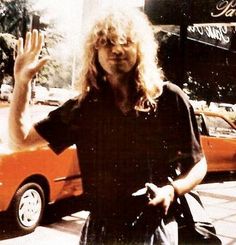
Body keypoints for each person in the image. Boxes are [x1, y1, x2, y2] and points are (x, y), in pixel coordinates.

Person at [9, 6, 207, 245]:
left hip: (155, 228)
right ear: (95, 52)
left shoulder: (168, 98)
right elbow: (21, 139)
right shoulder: (84, 107)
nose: (116, 50)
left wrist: (172, 190)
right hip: (100, 231)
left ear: (140, 48)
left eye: (125, 42)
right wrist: (21, 83)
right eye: (107, 42)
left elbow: (198, 165)